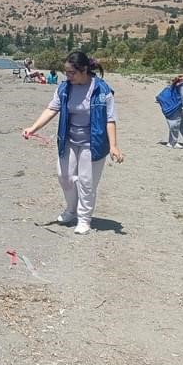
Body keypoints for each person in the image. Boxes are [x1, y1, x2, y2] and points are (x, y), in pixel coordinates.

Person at [22, 51, 124, 235]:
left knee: (86, 182)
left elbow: (110, 119)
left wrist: (114, 146)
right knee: (65, 177)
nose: (68, 76)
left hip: (93, 143)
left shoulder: (102, 90)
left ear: (84, 70)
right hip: (68, 140)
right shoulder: (64, 88)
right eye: (66, 72)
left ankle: (84, 219)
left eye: (71, 73)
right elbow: (52, 108)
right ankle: (71, 210)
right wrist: (33, 128)